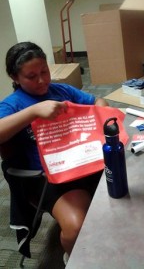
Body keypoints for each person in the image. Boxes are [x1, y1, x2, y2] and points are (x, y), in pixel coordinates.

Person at [0, 41, 109, 264]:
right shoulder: (13, 104)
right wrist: (33, 111)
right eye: (31, 76)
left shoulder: (60, 90)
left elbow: (97, 100)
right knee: (76, 227)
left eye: (44, 71)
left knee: (125, 189)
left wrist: (100, 113)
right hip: (48, 178)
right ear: (15, 77)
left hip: (82, 162)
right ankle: (75, 259)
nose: (41, 80)